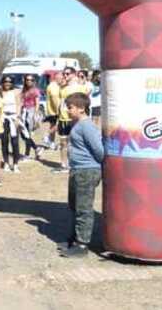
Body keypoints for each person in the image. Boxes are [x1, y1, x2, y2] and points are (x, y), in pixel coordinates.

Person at [59, 92, 104, 258]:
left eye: (70, 107)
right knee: (74, 206)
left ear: (81, 108)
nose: (68, 110)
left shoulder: (87, 126)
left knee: (83, 208)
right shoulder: (77, 125)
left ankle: (82, 245)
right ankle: (74, 239)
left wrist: (97, 167)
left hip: (87, 171)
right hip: (77, 170)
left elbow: (99, 150)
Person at [54, 67, 88, 173]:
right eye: (64, 74)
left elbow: (85, 102)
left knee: (76, 143)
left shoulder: (81, 87)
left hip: (75, 119)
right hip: (63, 119)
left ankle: (77, 164)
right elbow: (60, 103)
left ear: (74, 74)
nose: (65, 76)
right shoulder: (62, 88)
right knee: (63, 143)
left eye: (67, 74)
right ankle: (64, 165)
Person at [0, 76, 22, 173]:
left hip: (13, 117)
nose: (7, 83)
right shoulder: (0, 92)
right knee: (4, 142)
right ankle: (6, 163)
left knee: (15, 142)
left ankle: (16, 164)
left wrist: (17, 117)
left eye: (10, 82)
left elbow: (19, 104)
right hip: (4, 118)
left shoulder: (16, 92)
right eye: (5, 81)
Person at [19, 75, 42, 161]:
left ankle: (28, 154)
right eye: (27, 79)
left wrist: (34, 115)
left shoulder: (35, 90)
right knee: (24, 134)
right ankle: (36, 148)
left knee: (26, 133)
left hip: (31, 112)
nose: (29, 81)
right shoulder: (23, 90)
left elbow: (37, 103)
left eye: (31, 80)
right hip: (24, 112)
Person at [43, 72, 62, 149]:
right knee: (58, 126)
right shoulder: (53, 86)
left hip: (52, 110)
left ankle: (51, 143)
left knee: (53, 126)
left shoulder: (54, 85)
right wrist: (59, 110)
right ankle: (46, 137)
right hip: (55, 110)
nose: (62, 79)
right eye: (61, 77)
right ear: (57, 77)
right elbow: (54, 99)